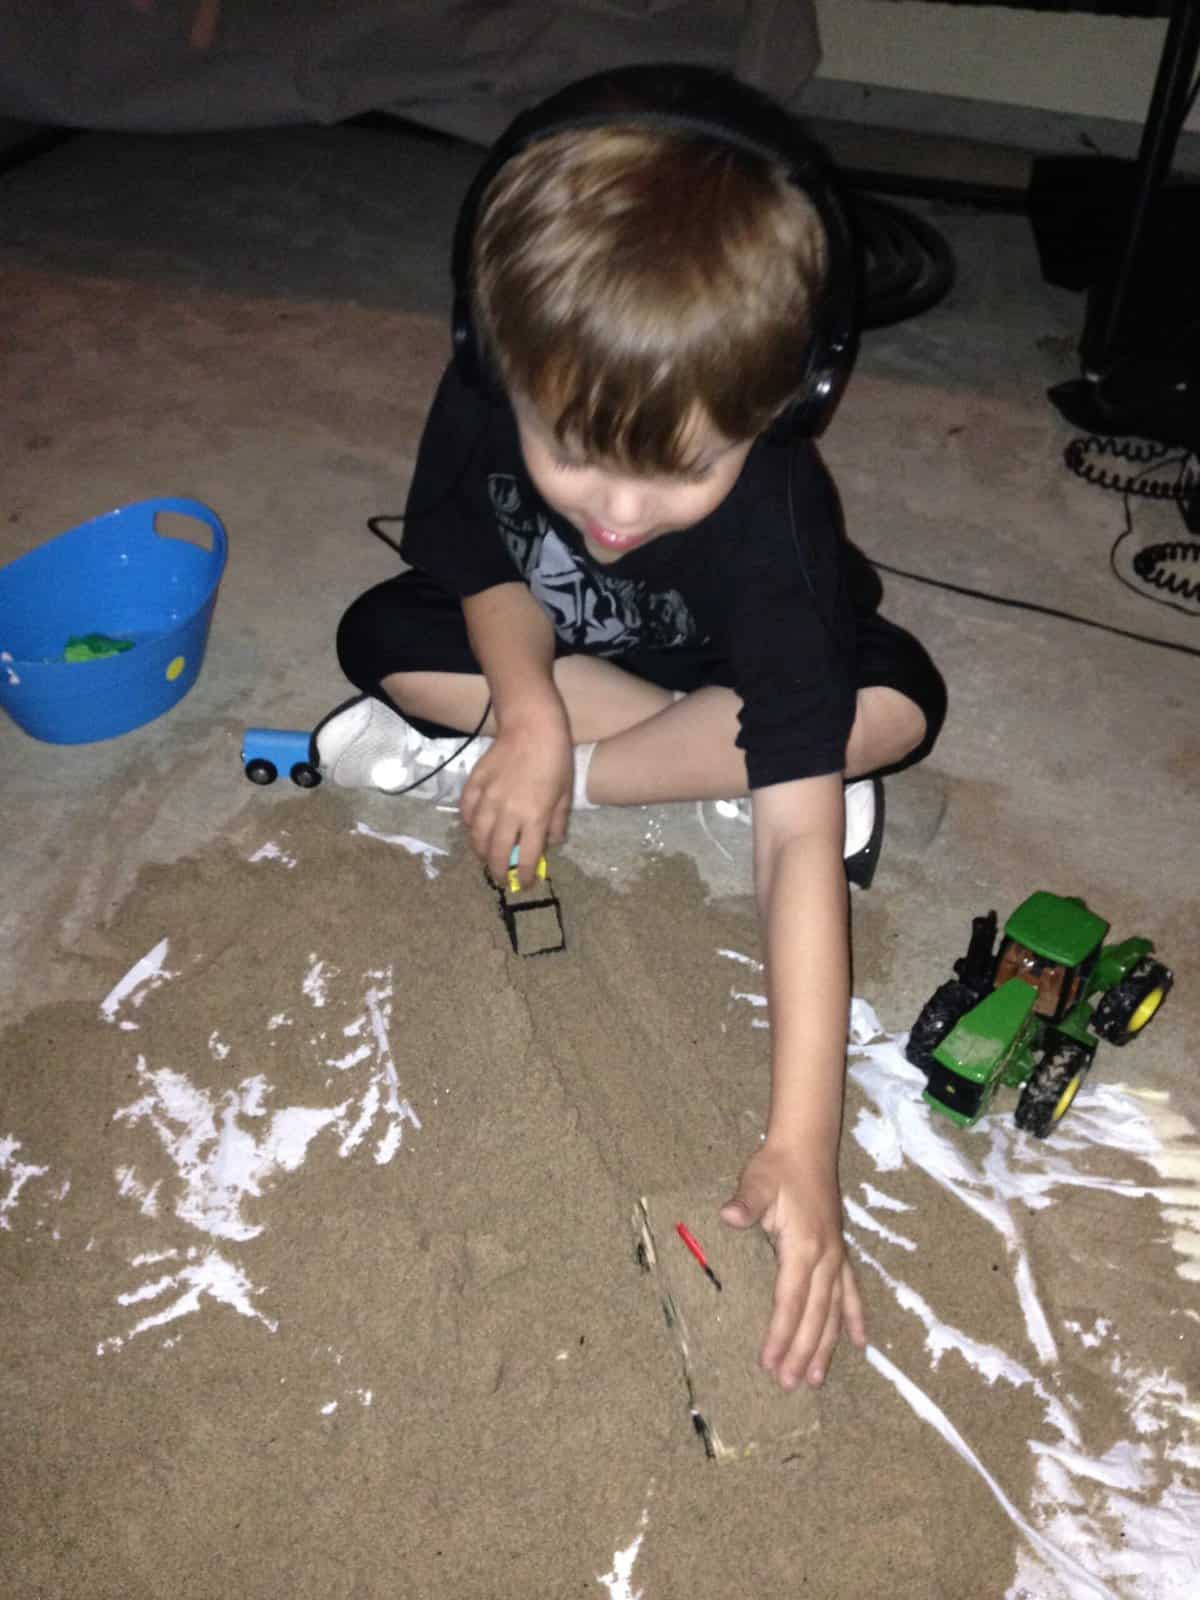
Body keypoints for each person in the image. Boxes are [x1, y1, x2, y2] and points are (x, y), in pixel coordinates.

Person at [317, 66, 946, 1391]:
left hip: (745, 652)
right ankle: (669, 754)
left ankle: (630, 771)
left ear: (791, 402)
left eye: (684, 470)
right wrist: (531, 709)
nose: (616, 508)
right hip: (593, 666)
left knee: (887, 706)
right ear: (499, 362)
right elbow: (470, 556)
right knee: (383, 638)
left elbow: (791, 853)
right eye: (573, 453)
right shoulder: (490, 383)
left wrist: (802, 1150)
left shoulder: (775, 529)